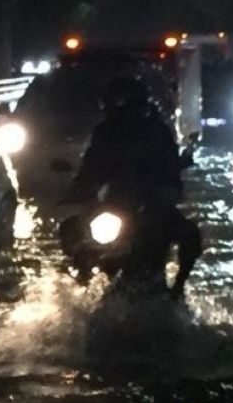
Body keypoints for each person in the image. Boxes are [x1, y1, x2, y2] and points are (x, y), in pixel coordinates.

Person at [66, 76, 202, 300]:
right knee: (70, 231)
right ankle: (81, 285)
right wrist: (80, 188)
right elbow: (91, 165)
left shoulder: (158, 131)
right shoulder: (104, 132)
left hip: (151, 204)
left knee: (189, 235)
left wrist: (169, 187)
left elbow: (169, 166)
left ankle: (178, 287)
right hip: (115, 204)